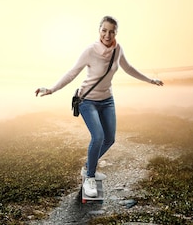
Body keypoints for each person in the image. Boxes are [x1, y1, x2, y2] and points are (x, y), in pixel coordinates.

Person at [35, 15, 163, 197]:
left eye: (112, 31)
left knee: (109, 139)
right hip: (87, 100)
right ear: (99, 31)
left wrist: (150, 80)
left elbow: (129, 68)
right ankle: (89, 178)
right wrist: (51, 89)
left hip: (107, 101)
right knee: (98, 136)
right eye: (104, 30)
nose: (107, 35)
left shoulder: (118, 50)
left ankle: (89, 165)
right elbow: (72, 73)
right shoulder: (90, 51)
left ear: (116, 33)